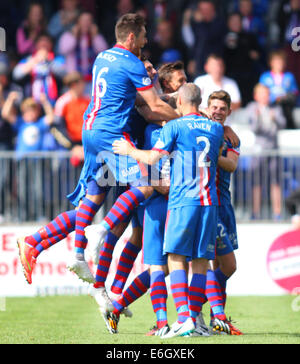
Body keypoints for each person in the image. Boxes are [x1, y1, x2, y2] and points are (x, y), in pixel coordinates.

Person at [112, 83, 224, 338]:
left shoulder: (175, 126)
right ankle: (194, 322)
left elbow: (152, 158)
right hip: (210, 203)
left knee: (173, 258)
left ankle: (183, 317)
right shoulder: (216, 128)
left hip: (184, 201)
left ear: (182, 103)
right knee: (199, 262)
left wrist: (129, 150)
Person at [203, 90, 243, 335]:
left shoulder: (231, 137)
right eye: (213, 107)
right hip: (208, 204)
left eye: (222, 109)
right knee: (229, 266)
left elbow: (232, 164)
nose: (217, 111)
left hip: (224, 205)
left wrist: (215, 150)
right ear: (207, 108)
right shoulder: (200, 128)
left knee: (219, 266)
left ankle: (216, 321)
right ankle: (192, 302)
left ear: (229, 112)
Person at [245, 83, 286, 220]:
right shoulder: (252, 108)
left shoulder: (276, 108)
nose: (265, 97)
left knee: (276, 183)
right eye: (262, 94)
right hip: (259, 150)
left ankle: (277, 212)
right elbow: (255, 128)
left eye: (267, 94)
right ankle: (255, 212)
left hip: (273, 149)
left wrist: (274, 119)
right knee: (256, 182)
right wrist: (258, 118)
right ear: (256, 96)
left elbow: (282, 125)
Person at [13, 33, 66, 106]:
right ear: (36, 44)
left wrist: (48, 61)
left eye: (46, 41)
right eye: (41, 41)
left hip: (54, 102)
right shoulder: (28, 60)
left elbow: (65, 74)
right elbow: (16, 75)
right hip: (32, 104)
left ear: (51, 44)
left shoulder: (58, 59)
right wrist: (35, 60)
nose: (44, 43)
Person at [223, 12, 262, 106]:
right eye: (233, 21)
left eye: (238, 21)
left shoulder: (250, 37)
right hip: (229, 76)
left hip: (247, 77)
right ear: (228, 23)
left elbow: (258, 54)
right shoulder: (223, 37)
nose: (235, 23)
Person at [58, 11, 108, 85]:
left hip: (91, 79)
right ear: (77, 22)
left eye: (88, 21)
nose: (86, 23)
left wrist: (95, 36)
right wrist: (74, 36)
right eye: (83, 20)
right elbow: (64, 50)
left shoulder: (95, 36)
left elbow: (103, 52)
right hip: (73, 79)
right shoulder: (68, 35)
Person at [181, 0, 226, 77]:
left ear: (213, 10)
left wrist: (200, 23)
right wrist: (192, 59)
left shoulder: (219, 23)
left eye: (206, 10)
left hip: (214, 65)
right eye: (201, 10)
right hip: (199, 64)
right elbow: (193, 42)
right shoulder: (198, 24)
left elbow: (206, 38)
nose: (203, 12)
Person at [259, 49, 299, 129]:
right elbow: (260, 94)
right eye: (276, 61)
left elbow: (295, 93)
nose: (279, 64)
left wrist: (285, 98)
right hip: (270, 107)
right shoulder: (265, 77)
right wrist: (274, 99)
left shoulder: (289, 76)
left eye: (281, 61)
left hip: (286, 109)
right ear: (271, 63)